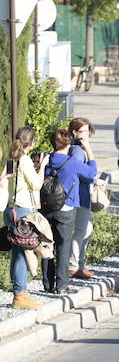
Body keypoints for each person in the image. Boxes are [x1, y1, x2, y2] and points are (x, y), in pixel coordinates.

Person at [44, 129, 97, 294]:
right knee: (63, 246)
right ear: (68, 143)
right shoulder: (72, 162)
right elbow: (92, 172)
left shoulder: (46, 158)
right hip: (66, 208)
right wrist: (88, 149)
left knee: (47, 246)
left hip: (46, 208)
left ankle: (47, 284)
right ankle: (61, 285)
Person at [5, 127, 48, 309]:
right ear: (31, 143)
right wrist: (43, 166)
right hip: (22, 211)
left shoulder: (11, 158)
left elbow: (5, 178)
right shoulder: (24, 160)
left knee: (17, 252)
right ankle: (20, 296)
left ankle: (19, 292)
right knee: (24, 253)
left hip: (10, 209)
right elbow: (37, 185)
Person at [67, 118, 99, 280]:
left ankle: (79, 264)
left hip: (80, 195)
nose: (87, 135)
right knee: (82, 230)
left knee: (85, 229)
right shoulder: (79, 151)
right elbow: (87, 172)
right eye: (83, 132)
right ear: (74, 133)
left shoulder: (75, 149)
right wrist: (89, 150)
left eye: (88, 132)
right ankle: (74, 266)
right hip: (79, 196)